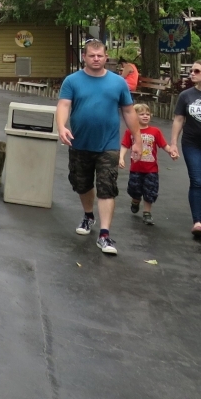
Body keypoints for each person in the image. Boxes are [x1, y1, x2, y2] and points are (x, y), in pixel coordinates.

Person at [57, 40, 142, 255]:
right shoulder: (72, 81)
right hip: (80, 143)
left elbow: (129, 111)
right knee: (82, 184)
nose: (96, 58)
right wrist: (61, 127)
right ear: (84, 57)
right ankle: (88, 216)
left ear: (106, 57)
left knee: (106, 186)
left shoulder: (118, 83)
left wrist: (137, 139)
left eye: (100, 55)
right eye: (92, 55)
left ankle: (105, 234)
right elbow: (64, 105)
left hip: (109, 145)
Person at [119, 103, 176, 225]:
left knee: (150, 191)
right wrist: (121, 157)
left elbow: (163, 145)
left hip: (151, 169)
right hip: (136, 168)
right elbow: (125, 145)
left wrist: (171, 151)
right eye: (141, 114)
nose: (145, 116)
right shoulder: (130, 132)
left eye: (147, 114)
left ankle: (147, 213)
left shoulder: (155, 131)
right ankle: (135, 201)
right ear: (134, 116)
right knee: (135, 190)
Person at [171, 60, 201, 238]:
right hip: (192, 143)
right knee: (197, 180)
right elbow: (178, 119)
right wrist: (173, 143)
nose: (192, 74)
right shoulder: (186, 95)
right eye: (192, 71)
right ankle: (197, 221)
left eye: (196, 71)